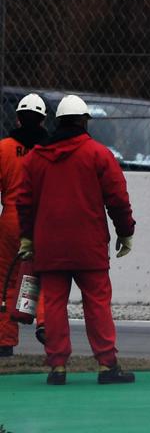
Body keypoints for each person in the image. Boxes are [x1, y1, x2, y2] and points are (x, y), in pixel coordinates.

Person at [13, 94, 136, 385]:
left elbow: (23, 201)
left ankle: (57, 367)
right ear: (84, 121)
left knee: (53, 303)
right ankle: (107, 365)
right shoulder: (97, 154)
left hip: (49, 245)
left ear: (57, 122)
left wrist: (27, 237)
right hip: (88, 245)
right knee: (97, 302)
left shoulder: (35, 158)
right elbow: (117, 198)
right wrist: (125, 231)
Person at [0, 93, 48, 356]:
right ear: (42, 121)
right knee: (45, 278)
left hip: (11, 220)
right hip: (43, 220)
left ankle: (5, 343)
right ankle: (45, 324)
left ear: (17, 118)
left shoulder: (4, 148)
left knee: (5, 282)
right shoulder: (51, 149)